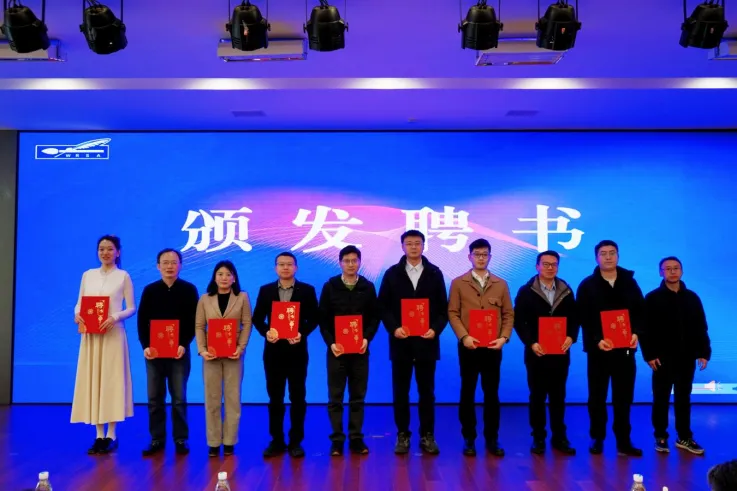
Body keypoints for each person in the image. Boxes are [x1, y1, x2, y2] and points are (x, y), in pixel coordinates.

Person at [378, 230, 448, 455]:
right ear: (402, 247)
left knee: (427, 392)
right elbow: (383, 306)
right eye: (409, 243)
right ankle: (403, 434)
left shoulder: (435, 273)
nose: (414, 247)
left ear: (424, 246)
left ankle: (427, 435)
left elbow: (443, 309)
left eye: (418, 243)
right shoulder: (392, 273)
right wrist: (394, 328)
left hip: (427, 343)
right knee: (401, 392)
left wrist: (435, 329)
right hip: (401, 343)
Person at [576, 240, 643, 456]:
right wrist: (596, 339)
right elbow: (583, 317)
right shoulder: (587, 285)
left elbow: (640, 312)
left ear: (618, 256)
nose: (608, 257)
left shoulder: (630, 282)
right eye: (603, 253)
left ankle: (624, 441)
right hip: (599, 350)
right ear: (596, 258)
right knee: (597, 396)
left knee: (624, 397)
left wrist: (636, 333)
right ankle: (597, 437)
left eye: (612, 253)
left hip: (625, 350)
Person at [448, 238, 513, 457]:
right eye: (477, 254)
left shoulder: (500, 284)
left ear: (490, 257)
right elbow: (453, 313)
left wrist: (503, 338)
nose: (481, 258)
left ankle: (492, 438)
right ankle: (469, 437)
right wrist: (464, 336)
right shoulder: (458, 283)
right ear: (470, 257)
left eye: (485, 254)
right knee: (467, 391)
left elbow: (508, 314)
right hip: (469, 346)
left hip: (493, 347)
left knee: (491, 393)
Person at [72, 235, 136, 455]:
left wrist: (115, 317)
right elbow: (80, 303)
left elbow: (131, 307)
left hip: (112, 334)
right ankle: (98, 435)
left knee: (111, 381)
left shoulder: (123, 276)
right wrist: (77, 314)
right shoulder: (88, 275)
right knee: (94, 380)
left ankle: (112, 434)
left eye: (110, 249)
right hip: (91, 334)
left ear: (118, 252)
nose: (105, 252)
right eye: (101, 249)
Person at [642, 256, 711, 455]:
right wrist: (649, 354)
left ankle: (684, 437)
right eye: (668, 269)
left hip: (686, 357)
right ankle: (660, 436)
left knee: (683, 398)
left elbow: (701, 327)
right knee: (661, 398)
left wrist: (703, 352)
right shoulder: (652, 298)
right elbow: (645, 330)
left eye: (676, 268)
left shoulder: (692, 297)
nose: (672, 272)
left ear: (681, 271)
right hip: (661, 359)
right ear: (660, 272)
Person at [252, 252, 319, 458]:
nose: (285, 268)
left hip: (297, 351)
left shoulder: (307, 290)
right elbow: (257, 319)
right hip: (273, 353)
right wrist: (266, 332)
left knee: (298, 397)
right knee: (275, 398)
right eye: (281, 264)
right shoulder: (266, 290)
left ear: (296, 267)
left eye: (289, 264)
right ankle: (277, 440)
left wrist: (302, 333)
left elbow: (314, 318)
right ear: (275, 268)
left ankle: (296, 441)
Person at [513, 250, 578, 456]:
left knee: (558, 396)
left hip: (560, 352)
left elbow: (575, 318)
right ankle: (538, 437)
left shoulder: (566, 290)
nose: (550, 268)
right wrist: (531, 343)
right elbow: (519, 321)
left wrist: (571, 337)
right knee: (537, 396)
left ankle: (559, 437)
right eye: (546, 264)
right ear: (537, 266)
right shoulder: (526, 291)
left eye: (554, 264)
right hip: (536, 353)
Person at [137, 248, 199, 456]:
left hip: (179, 352)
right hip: (154, 353)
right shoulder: (150, 290)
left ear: (180, 265)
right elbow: (142, 321)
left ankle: (181, 439)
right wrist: (146, 346)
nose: (169, 266)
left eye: (173, 262)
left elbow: (194, 321)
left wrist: (184, 343)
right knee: (155, 398)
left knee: (179, 398)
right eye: (165, 262)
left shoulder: (189, 289)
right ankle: (157, 439)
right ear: (158, 266)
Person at [319, 245, 379, 456]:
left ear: (359, 262)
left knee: (357, 397)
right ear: (340, 263)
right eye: (347, 261)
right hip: (336, 351)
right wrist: (331, 343)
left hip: (360, 351)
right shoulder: (330, 286)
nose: (351, 264)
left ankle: (356, 438)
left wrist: (366, 338)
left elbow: (375, 318)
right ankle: (337, 440)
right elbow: (323, 319)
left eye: (354, 260)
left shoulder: (367, 287)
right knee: (335, 398)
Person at [195, 260, 252, 457]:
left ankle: (229, 441)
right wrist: (202, 350)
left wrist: (240, 348)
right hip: (210, 355)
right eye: (220, 274)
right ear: (214, 277)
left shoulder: (242, 297)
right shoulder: (205, 299)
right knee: (211, 399)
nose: (224, 278)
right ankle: (213, 442)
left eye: (228, 274)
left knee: (232, 399)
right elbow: (199, 326)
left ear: (234, 278)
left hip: (233, 354)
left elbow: (247, 324)